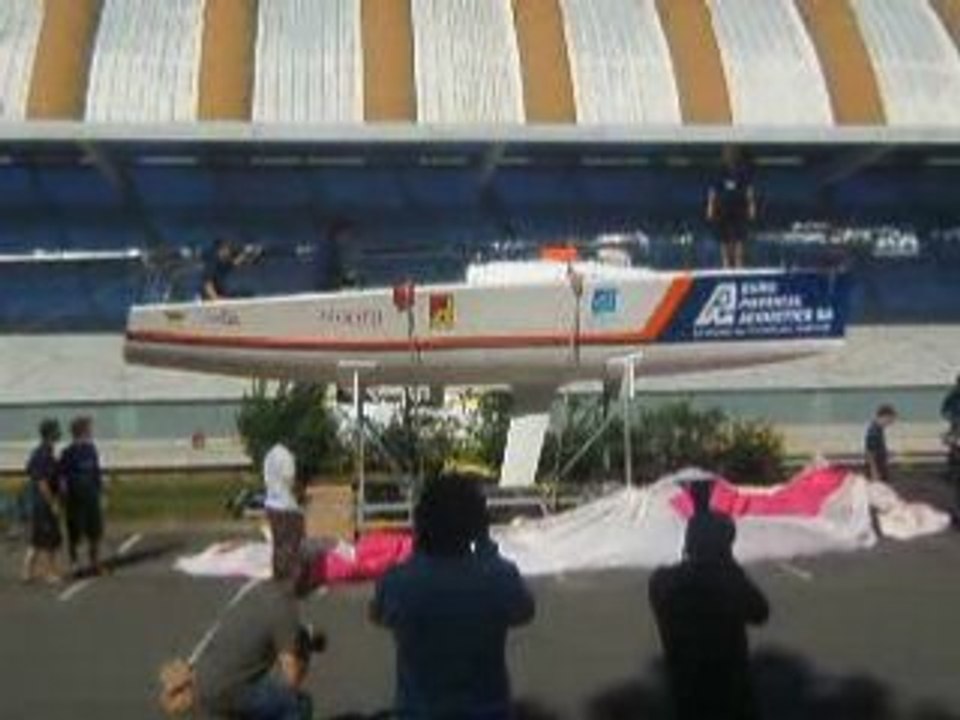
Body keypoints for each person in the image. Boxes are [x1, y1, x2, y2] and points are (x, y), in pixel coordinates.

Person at [370, 474, 535, 719]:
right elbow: (525, 612)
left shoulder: (399, 581)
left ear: (421, 521)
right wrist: (486, 547)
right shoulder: (498, 576)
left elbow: (377, 614)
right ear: (479, 524)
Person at [649, 479, 769, 720]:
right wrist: (729, 565)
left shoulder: (662, 580)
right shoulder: (728, 582)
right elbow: (760, 612)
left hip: (686, 690)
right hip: (729, 692)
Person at [187, 551, 324, 720]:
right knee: (299, 704)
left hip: (200, 681)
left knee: (260, 693)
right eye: (311, 575)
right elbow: (292, 679)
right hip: (226, 691)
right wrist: (303, 652)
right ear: (300, 576)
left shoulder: (256, 588)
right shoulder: (284, 608)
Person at [59, 416, 106, 574]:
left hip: (91, 495)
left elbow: (96, 473)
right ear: (81, 431)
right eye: (88, 429)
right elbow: (63, 477)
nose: (91, 432)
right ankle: (75, 564)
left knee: (95, 532)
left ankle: (95, 563)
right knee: (75, 532)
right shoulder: (68, 452)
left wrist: (101, 493)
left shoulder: (91, 449)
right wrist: (64, 497)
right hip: (75, 497)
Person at [21, 419, 64, 583]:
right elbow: (41, 482)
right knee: (49, 538)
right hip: (42, 503)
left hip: (44, 501)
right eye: (56, 431)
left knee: (38, 538)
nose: (59, 434)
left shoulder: (49, 453)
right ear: (49, 434)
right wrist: (52, 502)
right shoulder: (42, 454)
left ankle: (27, 570)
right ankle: (49, 572)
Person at [706, 146, 757, 269]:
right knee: (724, 240)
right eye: (726, 153)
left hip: (739, 208)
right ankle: (726, 265)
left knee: (739, 239)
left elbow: (749, 190)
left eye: (731, 153)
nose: (729, 155)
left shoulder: (743, 171)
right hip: (723, 209)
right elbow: (713, 191)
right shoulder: (718, 171)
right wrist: (710, 207)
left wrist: (751, 206)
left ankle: (739, 265)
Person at [264, 440, 305, 581]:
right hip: (286, 505)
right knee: (293, 539)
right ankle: (294, 574)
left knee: (278, 541)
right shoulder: (287, 456)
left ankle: (278, 572)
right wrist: (301, 496)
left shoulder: (270, 454)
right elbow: (290, 482)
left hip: (271, 503)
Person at [865, 404, 897, 483]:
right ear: (885, 416)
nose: (891, 422)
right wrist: (874, 472)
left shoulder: (879, 429)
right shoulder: (873, 431)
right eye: (890, 419)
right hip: (877, 471)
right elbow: (870, 453)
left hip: (880, 468)